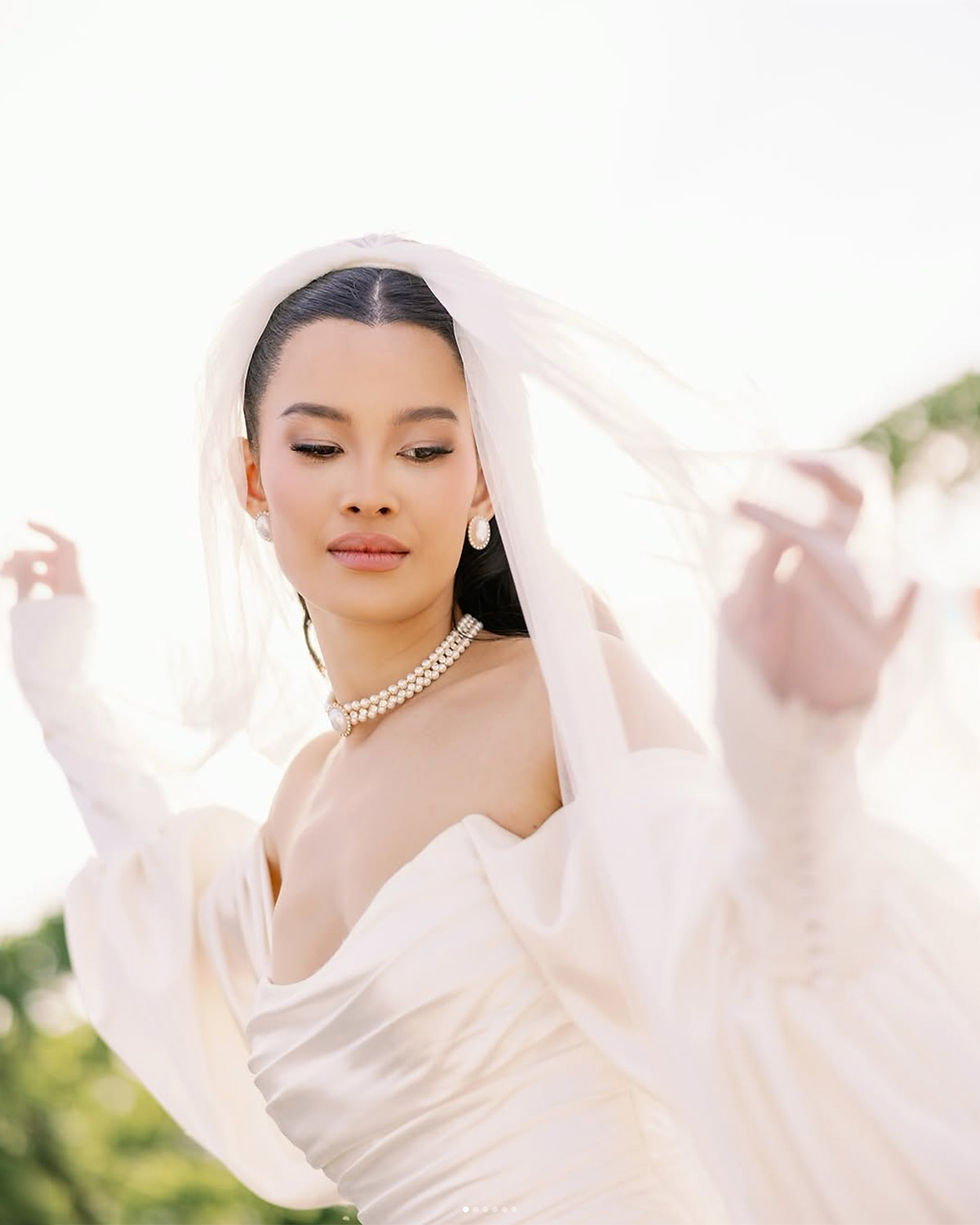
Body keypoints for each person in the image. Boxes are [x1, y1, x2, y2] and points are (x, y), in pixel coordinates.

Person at [4, 233, 980, 1224]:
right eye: (318, 444)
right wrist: (60, 697)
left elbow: (755, 938)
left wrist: (796, 768)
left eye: (423, 447)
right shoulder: (299, 799)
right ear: (254, 480)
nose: (370, 485)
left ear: (481, 480)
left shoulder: (557, 693)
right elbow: (175, 936)